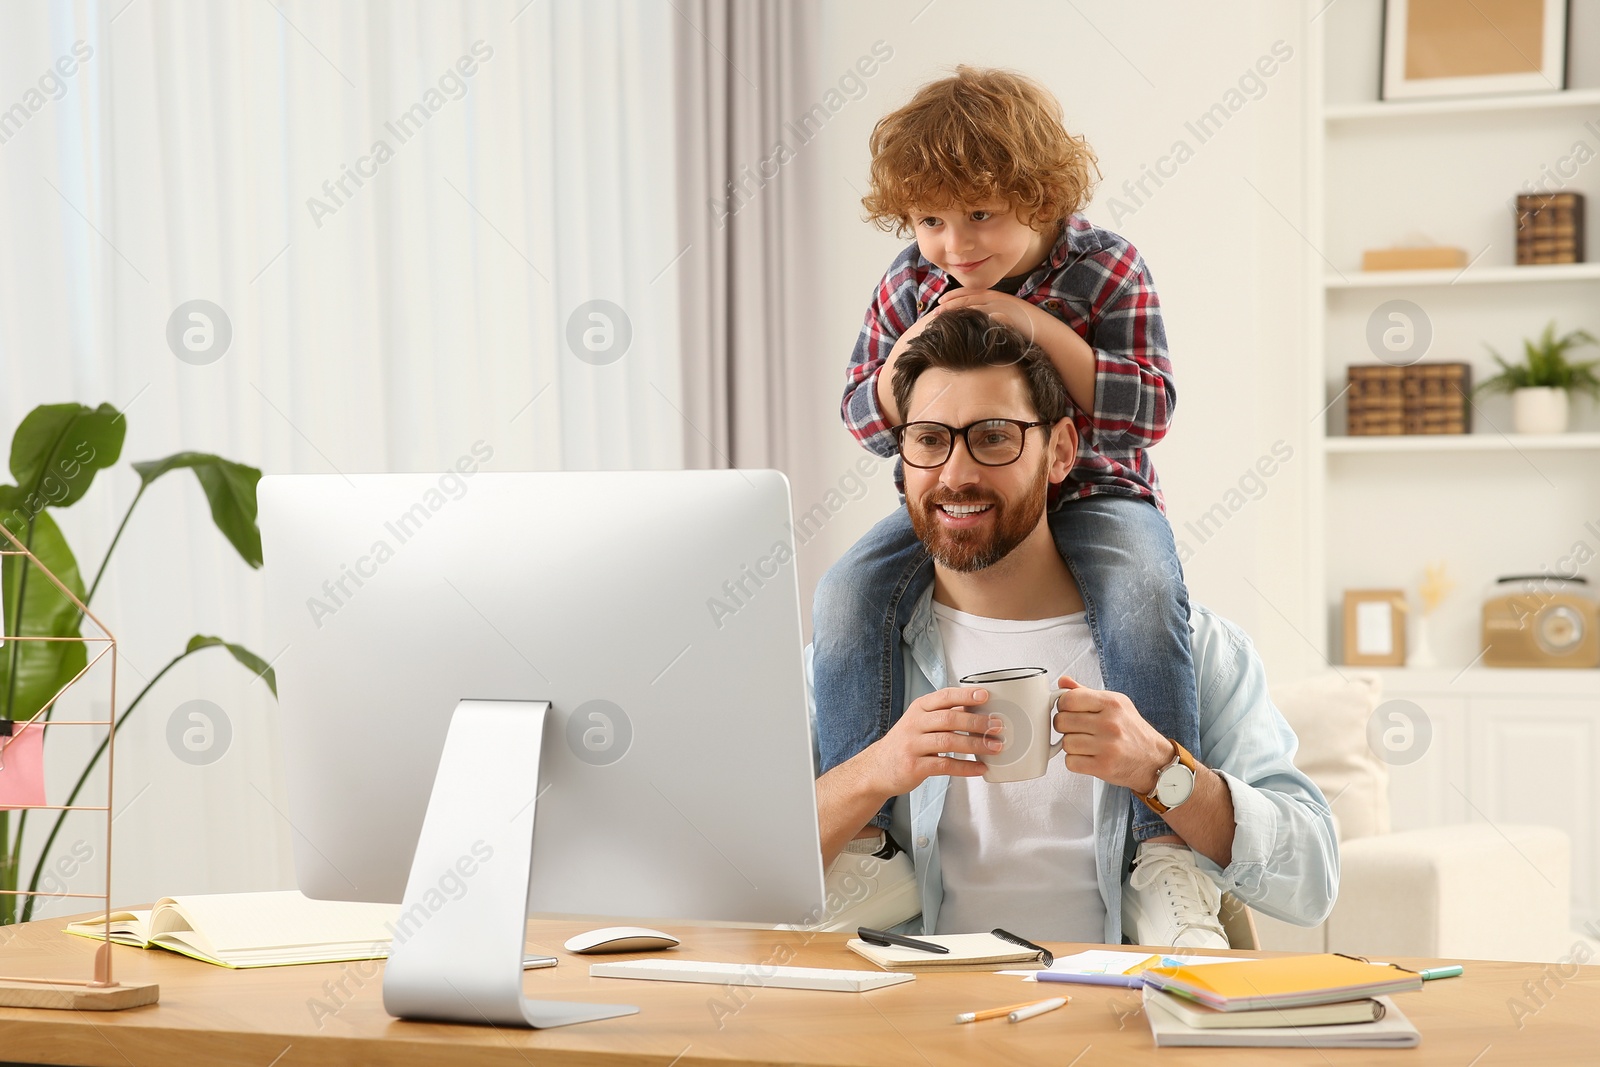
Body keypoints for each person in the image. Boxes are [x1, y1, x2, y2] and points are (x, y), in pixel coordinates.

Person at [812, 66, 1212, 929]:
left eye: (980, 214)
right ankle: (870, 846)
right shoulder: (909, 284)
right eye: (929, 220)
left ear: (1039, 195)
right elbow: (864, 416)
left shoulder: (1104, 268)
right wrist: (901, 362)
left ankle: (1162, 849)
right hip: (961, 502)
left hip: (1103, 494)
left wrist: (1036, 326)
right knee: (844, 592)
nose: (954, 246)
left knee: (1143, 592)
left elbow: (1146, 410)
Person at [811, 308, 1337, 945]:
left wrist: (1161, 772)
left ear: (1060, 451)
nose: (956, 474)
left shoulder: (1194, 653)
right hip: (911, 1028)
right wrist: (874, 771)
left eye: (995, 436)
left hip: (1122, 1027)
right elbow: (739, 875)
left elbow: (1311, 880)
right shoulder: (848, 656)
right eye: (929, 440)